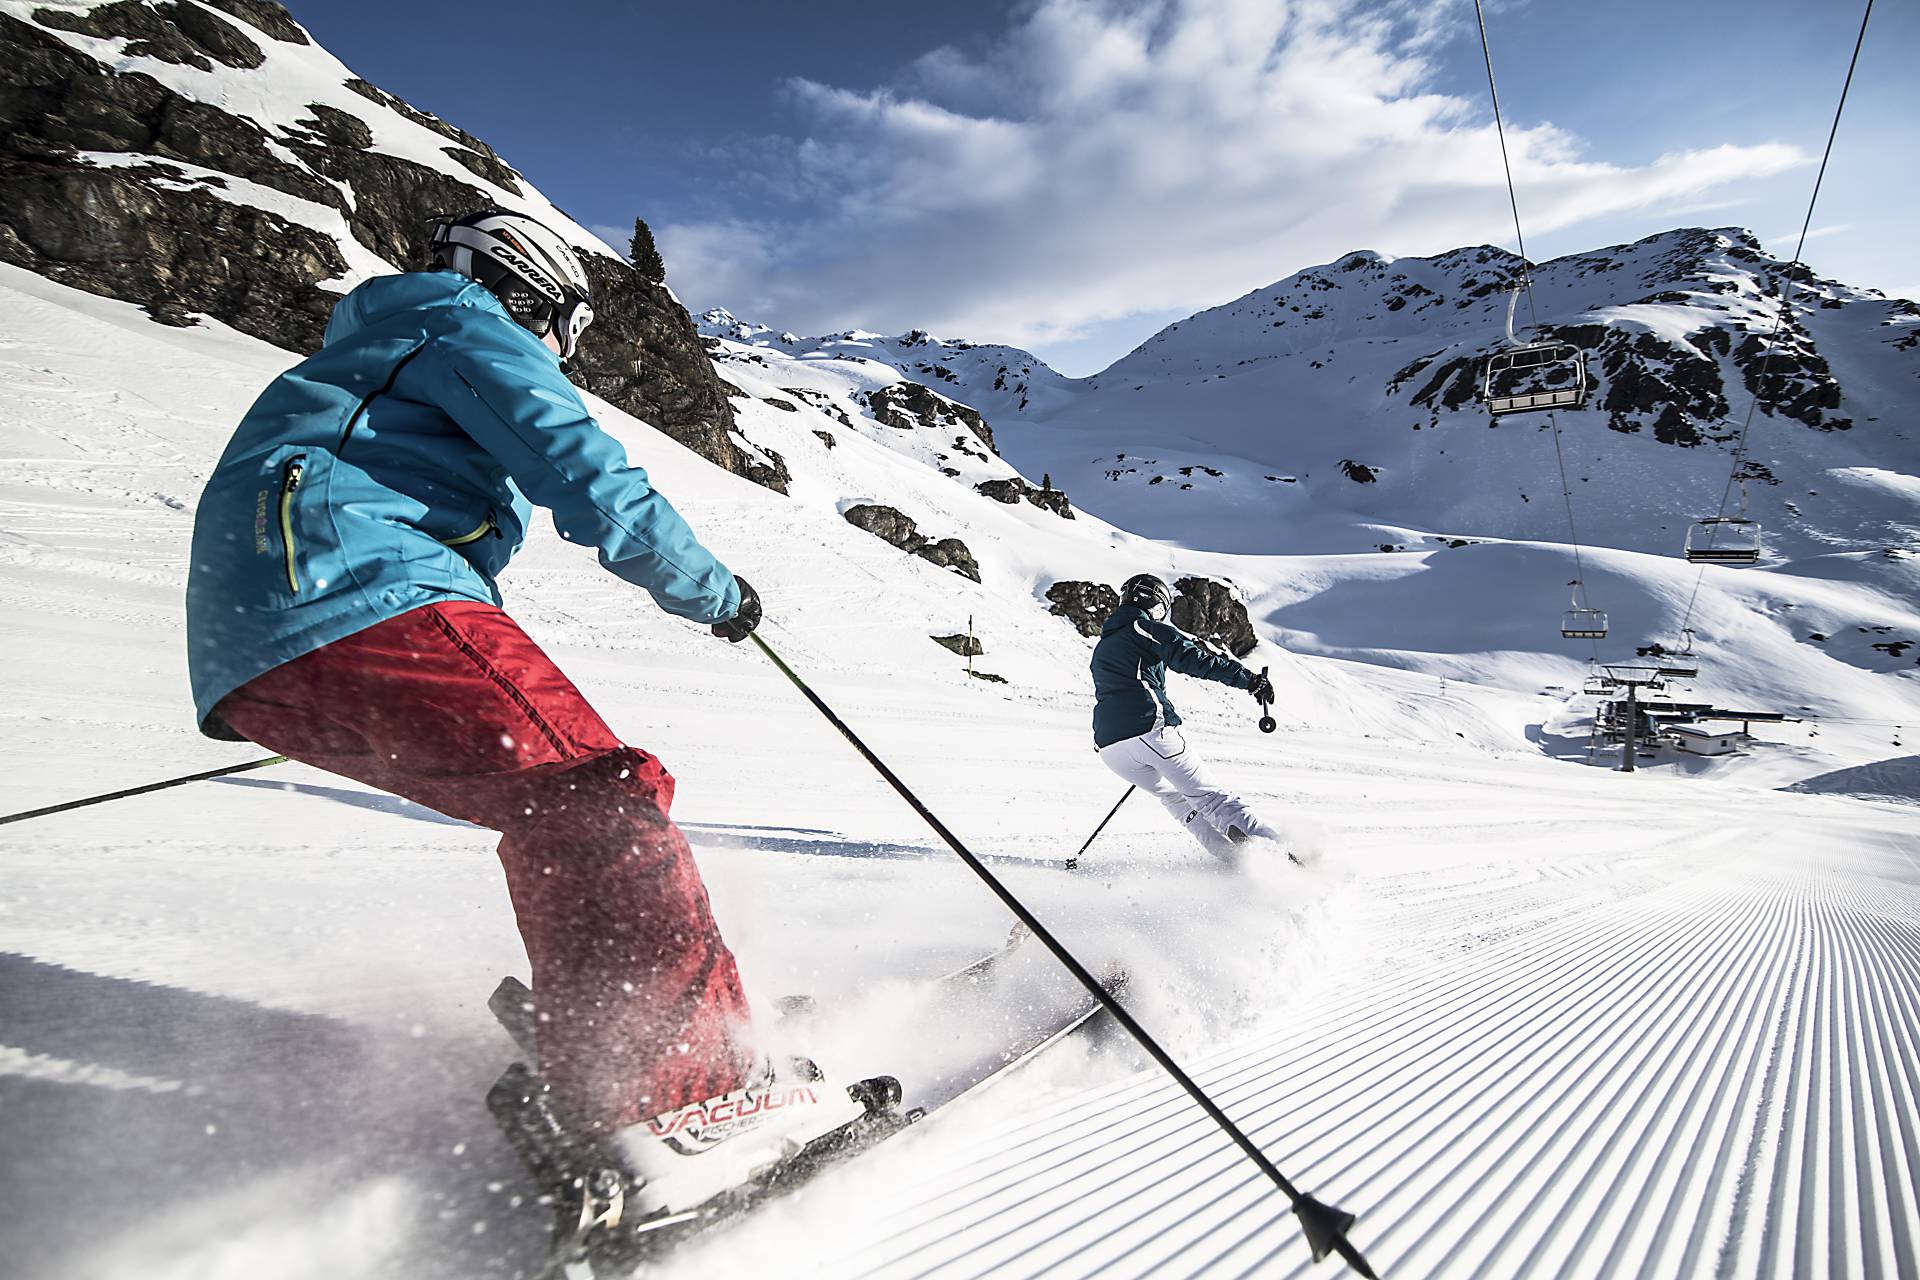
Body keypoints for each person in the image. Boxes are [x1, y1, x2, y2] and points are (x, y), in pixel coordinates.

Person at [183, 209, 858, 1215]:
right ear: (530, 292)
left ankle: (618, 1029)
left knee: (557, 809)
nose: (559, 351)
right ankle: (687, 1090)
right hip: (357, 593)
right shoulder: (461, 319)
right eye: (564, 330)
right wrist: (713, 591)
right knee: (601, 800)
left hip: (269, 647)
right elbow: (580, 465)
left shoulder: (382, 353)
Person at [1090, 574, 1286, 863]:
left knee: (1177, 800)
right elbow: (1191, 658)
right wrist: (1249, 681)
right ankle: (1283, 858)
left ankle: (1236, 863)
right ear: (1157, 603)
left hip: (1111, 747)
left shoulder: (1104, 644)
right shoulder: (1144, 628)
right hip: (1148, 727)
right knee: (1210, 798)